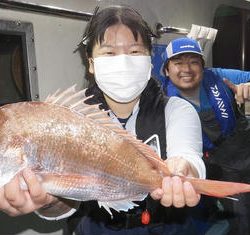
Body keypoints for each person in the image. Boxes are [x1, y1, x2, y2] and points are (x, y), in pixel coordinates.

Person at [0, 6, 206, 235]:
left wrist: (187, 171)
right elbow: (66, 199)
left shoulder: (176, 109)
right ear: (91, 63)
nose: (123, 61)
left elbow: (188, 155)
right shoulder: (70, 117)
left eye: (135, 52)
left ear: (150, 60)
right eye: (109, 53)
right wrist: (48, 202)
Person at [161, 37, 250, 235]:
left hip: (244, 144)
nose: (187, 69)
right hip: (218, 164)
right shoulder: (163, 102)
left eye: (193, 61)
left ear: (202, 66)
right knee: (241, 218)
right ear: (166, 70)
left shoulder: (219, 77)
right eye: (178, 62)